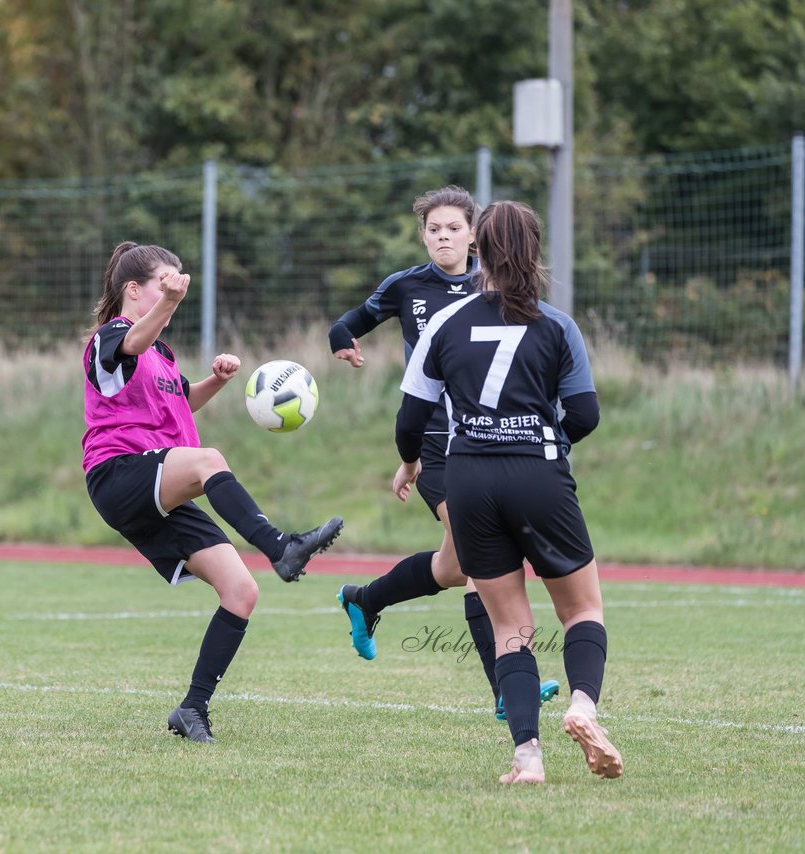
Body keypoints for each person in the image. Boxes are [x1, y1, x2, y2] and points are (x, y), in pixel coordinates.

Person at [394, 200, 620, 784]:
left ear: (479, 250)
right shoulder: (556, 324)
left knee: (509, 629)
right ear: (534, 250)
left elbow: (410, 418)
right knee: (582, 610)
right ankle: (582, 705)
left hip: (468, 477)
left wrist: (410, 461)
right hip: (538, 473)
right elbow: (587, 414)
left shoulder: (447, 322)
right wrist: (550, 442)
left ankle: (528, 758)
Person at [83, 241, 343, 743]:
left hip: (158, 486)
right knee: (209, 461)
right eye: (164, 282)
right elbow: (130, 344)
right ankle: (281, 547)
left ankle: (192, 709)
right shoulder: (111, 336)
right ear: (133, 290)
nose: (174, 288)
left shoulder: (160, 352)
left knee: (241, 592)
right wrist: (171, 303)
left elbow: (179, 405)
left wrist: (217, 381)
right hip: (117, 474)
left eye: (177, 283)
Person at [328, 186, 558, 719]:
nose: (443, 237)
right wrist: (343, 341)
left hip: (485, 437)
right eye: (434, 229)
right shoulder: (407, 286)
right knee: (482, 563)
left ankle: (365, 600)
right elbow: (347, 322)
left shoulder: (493, 288)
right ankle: (507, 688)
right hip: (434, 441)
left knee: (455, 567)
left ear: (474, 235)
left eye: (454, 228)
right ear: (423, 235)